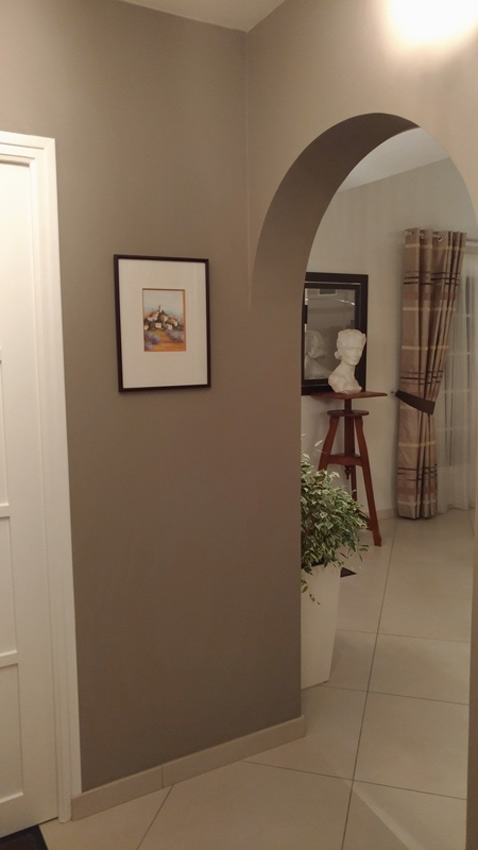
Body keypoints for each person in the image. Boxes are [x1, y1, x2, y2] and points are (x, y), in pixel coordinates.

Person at [327, 328, 366, 394]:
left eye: (359, 349)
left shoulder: (354, 381)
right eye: (350, 349)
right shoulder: (336, 379)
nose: (356, 354)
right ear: (340, 350)